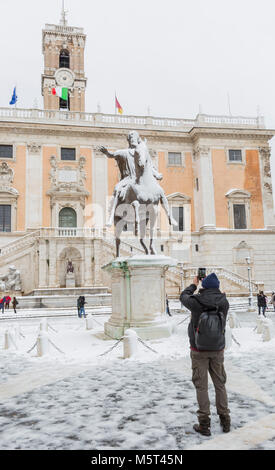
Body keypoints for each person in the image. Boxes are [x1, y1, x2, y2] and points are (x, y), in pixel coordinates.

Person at [180, 272, 230, 436]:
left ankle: (204, 423)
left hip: (198, 349)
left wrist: (194, 285)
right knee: (220, 384)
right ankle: (225, 419)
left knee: (201, 386)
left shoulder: (196, 301)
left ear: (204, 286)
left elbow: (183, 296)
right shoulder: (223, 302)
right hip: (217, 349)